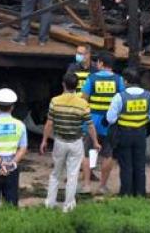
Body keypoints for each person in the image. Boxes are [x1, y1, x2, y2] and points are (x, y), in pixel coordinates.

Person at [41, 72, 101, 212]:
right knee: (72, 175)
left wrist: (44, 140)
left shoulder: (55, 101)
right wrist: (96, 142)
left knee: (56, 173)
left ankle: (50, 203)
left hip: (59, 142)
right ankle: (68, 206)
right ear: (77, 86)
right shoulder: (83, 104)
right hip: (76, 142)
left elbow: (49, 123)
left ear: (63, 84)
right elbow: (90, 125)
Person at [107, 68, 150, 196]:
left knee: (126, 165)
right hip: (140, 134)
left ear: (126, 81)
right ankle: (140, 192)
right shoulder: (148, 95)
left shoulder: (120, 97)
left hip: (124, 134)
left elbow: (110, 118)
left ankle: (126, 193)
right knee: (140, 165)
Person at [81, 50, 125, 194]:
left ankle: (86, 185)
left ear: (100, 63)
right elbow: (122, 101)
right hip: (110, 122)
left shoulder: (91, 79)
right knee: (108, 154)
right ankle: (102, 186)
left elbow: (83, 100)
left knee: (87, 152)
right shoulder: (118, 80)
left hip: (92, 120)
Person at [66, 44, 98, 193]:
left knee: (90, 145)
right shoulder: (73, 68)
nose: (78, 55)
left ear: (88, 54)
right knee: (73, 142)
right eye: (77, 52)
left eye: (81, 53)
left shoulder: (95, 70)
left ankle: (90, 171)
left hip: (90, 111)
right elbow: (67, 87)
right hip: (75, 110)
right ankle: (74, 171)